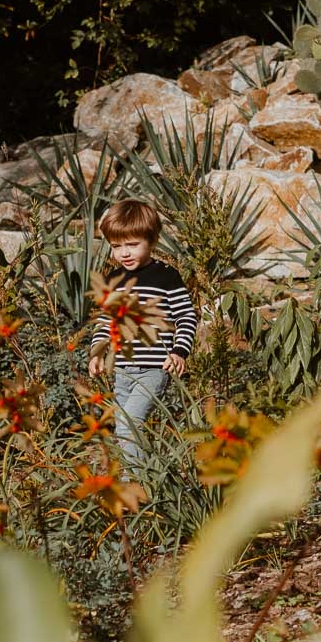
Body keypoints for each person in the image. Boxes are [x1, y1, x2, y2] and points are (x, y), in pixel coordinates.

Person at [87, 199, 197, 470]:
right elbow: (106, 321)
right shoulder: (113, 279)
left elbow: (186, 316)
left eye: (132, 244)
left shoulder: (166, 277)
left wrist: (179, 351)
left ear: (153, 240)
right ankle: (142, 485)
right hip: (122, 370)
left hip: (153, 368)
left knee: (129, 426)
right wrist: (98, 353)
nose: (124, 253)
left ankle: (137, 489)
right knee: (124, 432)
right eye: (116, 246)